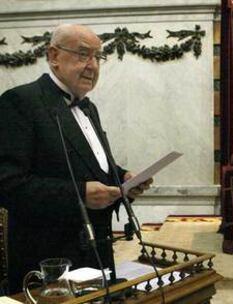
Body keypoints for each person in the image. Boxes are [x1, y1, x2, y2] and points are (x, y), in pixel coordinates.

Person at [0, 24, 151, 294]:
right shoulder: (20, 101)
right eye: (83, 54)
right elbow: (7, 184)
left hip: (96, 255)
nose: (93, 65)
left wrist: (122, 178)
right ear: (53, 56)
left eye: (98, 56)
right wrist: (79, 194)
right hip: (49, 265)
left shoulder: (88, 107)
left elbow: (88, 164)